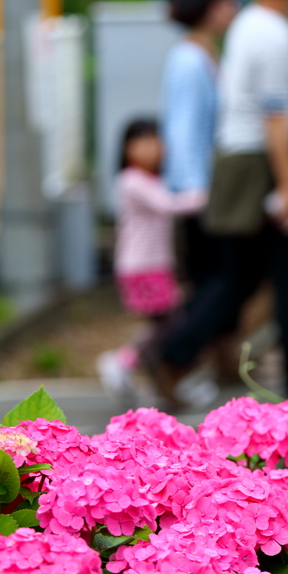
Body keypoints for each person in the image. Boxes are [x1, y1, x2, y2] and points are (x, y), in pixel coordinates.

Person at [153, 0, 288, 402]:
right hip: (253, 163)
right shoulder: (276, 34)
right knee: (278, 279)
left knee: (243, 277)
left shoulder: (248, 23)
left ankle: (176, 353)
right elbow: (276, 117)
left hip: (237, 158)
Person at [96, 118, 207, 400]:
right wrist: (203, 195)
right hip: (142, 266)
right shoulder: (131, 181)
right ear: (126, 149)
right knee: (171, 323)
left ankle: (156, 378)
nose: (151, 148)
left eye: (155, 140)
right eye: (141, 141)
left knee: (164, 324)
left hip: (153, 264)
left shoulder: (152, 180)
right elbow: (168, 204)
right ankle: (123, 362)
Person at [162, 0, 238, 288]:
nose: (232, 7)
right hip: (199, 191)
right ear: (208, 6)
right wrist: (194, 189)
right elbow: (182, 128)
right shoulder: (189, 59)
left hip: (208, 186)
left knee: (213, 276)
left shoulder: (203, 53)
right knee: (210, 277)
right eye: (225, 0)